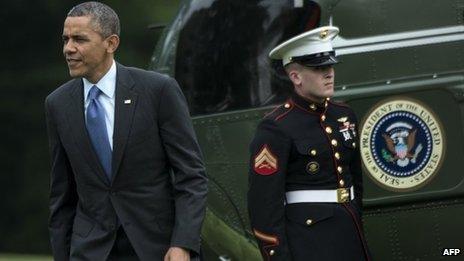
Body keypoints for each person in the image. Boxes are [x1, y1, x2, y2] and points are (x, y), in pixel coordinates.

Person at [45, 2, 208, 260]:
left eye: (79, 39)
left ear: (111, 43)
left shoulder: (158, 91)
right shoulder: (57, 104)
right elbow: (62, 196)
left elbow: (192, 176)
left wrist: (183, 243)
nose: (68, 48)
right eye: (65, 39)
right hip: (90, 251)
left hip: (156, 248)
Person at [247, 26, 371, 261]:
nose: (329, 73)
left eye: (330, 65)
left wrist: (354, 216)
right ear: (296, 77)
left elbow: (356, 180)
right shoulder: (276, 127)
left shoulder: (343, 115)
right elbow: (263, 205)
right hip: (309, 243)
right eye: (319, 68)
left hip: (350, 234)